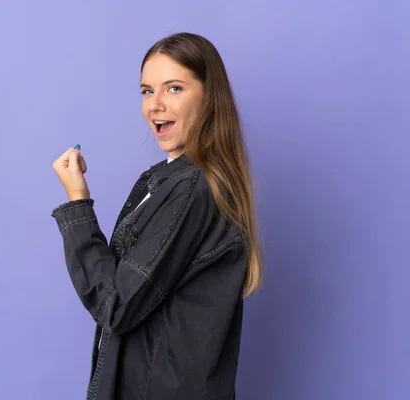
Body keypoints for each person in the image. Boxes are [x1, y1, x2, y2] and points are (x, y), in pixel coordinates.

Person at [51, 32, 263, 400]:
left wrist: (77, 203)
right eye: (147, 91)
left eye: (174, 88)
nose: (155, 105)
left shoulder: (193, 189)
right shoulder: (165, 181)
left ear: (209, 96)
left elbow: (115, 307)